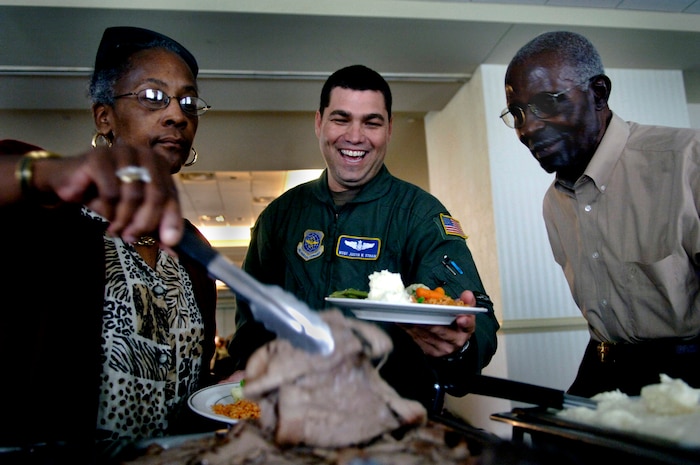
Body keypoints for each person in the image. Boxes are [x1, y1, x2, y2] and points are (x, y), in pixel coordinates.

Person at [0, 26, 219, 462]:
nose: (177, 114)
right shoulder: (50, 218)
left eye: (188, 102)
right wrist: (49, 174)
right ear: (104, 117)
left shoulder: (190, 246)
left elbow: (187, 381)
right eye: (153, 97)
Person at [226, 64, 499, 411]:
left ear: (389, 129)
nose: (355, 136)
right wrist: (247, 367)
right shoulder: (280, 217)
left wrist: (460, 347)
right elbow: (253, 320)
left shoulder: (419, 216)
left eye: (371, 122)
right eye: (341, 119)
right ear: (318, 123)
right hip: (289, 419)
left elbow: (479, 321)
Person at [501, 30, 700, 398]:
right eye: (517, 113)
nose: (527, 128)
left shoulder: (687, 160)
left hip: (685, 374)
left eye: (547, 103)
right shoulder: (554, 203)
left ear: (598, 93)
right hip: (603, 365)